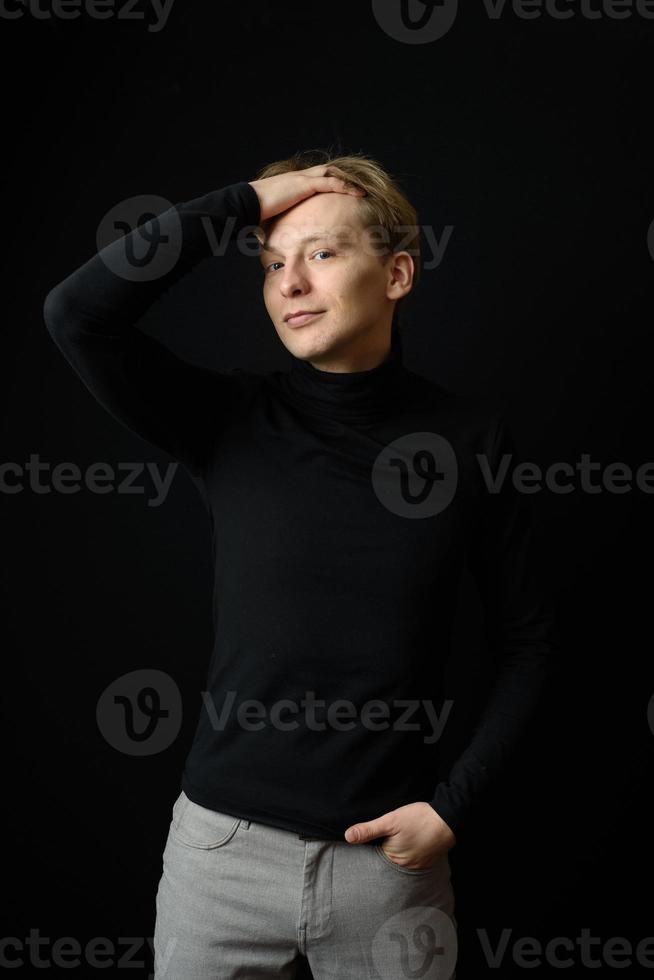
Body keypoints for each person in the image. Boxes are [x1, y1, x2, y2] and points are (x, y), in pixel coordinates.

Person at [43, 150, 558, 979]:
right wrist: (248, 200)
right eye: (273, 261)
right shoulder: (227, 420)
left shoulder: (470, 443)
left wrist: (453, 812)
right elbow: (76, 314)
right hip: (222, 861)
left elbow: (532, 643)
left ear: (396, 273)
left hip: (387, 874)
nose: (289, 284)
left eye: (320, 253)